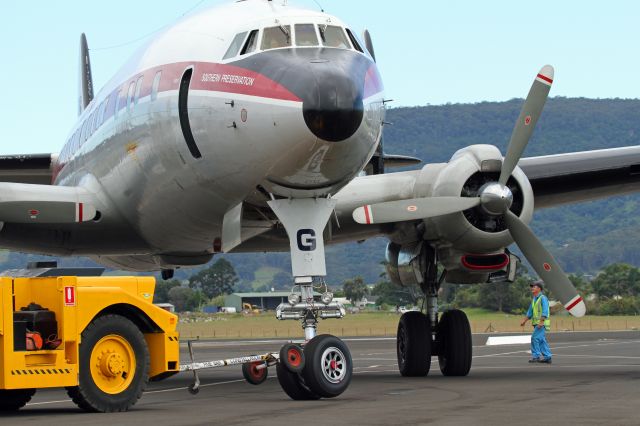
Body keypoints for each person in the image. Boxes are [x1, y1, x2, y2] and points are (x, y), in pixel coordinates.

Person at [520, 280, 552, 364]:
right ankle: (547, 357)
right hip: (536, 324)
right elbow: (530, 312)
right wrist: (524, 321)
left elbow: (545, 310)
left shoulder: (543, 298)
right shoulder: (534, 299)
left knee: (534, 338)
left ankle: (536, 356)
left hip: (541, 324)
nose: (532, 288)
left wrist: (541, 322)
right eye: (532, 287)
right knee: (541, 340)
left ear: (539, 289)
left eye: (534, 287)